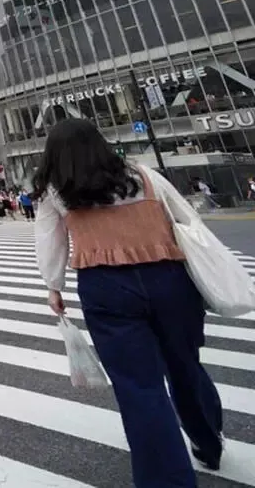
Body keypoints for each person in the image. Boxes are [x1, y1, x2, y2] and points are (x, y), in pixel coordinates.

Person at [34, 118, 225, 484]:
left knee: (140, 387)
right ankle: (208, 441)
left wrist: (53, 287)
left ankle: (168, 480)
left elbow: (49, 243)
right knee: (184, 363)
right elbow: (187, 217)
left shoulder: (57, 191)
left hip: (106, 285)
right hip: (170, 278)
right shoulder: (142, 175)